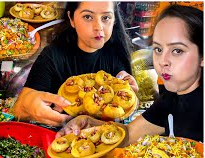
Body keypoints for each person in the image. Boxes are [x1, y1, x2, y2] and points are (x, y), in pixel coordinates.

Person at [57, 5, 203, 143]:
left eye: (177, 50)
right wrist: (90, 123)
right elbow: (128, 135)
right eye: (158, 49)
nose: (162, 61)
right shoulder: (171, 99)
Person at [13, 2, 138, 127]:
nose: (98, 27)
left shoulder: (117, 52)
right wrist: (29, 106)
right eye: (88, 17)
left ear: (114, 19)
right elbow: (17, 109)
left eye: (106, 18)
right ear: (71, 19)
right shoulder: (53, 55)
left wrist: (131, 96)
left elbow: (126, 109)